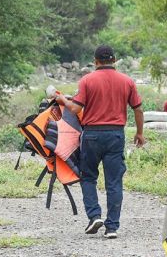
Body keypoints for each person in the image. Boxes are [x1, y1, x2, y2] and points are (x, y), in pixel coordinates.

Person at [56, 45, 145, 239]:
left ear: (96, 62)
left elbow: (75, 109)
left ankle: (95, 216)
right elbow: (138, 109)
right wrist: (139, 133)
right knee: (114, 181)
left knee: (88, 177)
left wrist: (62, 99)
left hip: (92, 135)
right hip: (115, 135)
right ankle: (112, 227)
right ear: (114, 60)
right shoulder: (127, 81)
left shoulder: (87, 80)